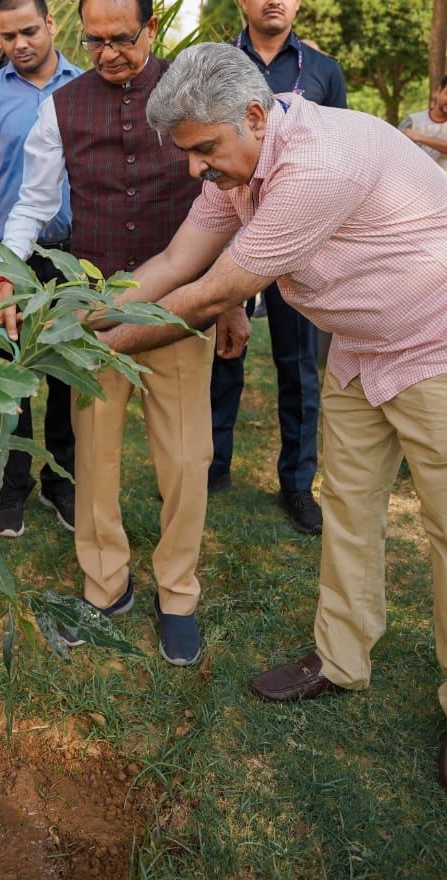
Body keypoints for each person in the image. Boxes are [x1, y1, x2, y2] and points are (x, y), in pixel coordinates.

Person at [98, 42, 447, 790]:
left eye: (203, 150)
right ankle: (340, 658)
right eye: (187, 153)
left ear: (254, 116)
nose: (195, 169)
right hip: (360, 347)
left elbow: (208, 296)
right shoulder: (242, 163)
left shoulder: (316, 164)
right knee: (347, 505)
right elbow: (173, 263)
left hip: (435, 342)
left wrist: (92, 353)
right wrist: (77, 317)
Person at [0, 0, 241, 668]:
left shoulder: (194, 93)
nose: (107, 54)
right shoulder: (60, 108)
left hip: (178, 308)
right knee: (93, 460)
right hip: (91, 313)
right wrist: (7, 274)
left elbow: (232, 196)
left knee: (186, 459)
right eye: (94, 41)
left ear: (151, 29)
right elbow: (34, 204)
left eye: (122, 39)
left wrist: (228, 299)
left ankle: (177, 594)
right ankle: (105, 585)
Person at [209, 0, 347, 534]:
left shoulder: (324, 71)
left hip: (299, 244)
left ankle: (297, 484)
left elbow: (338, 157)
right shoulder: (216, 65)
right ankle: (213, 465)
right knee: (223, 353)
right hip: (229, 231)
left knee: (298, 367)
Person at [0, 0, 81, 538]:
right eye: (7, 36)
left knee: (67, 374)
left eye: (28, 31)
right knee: (12, 374)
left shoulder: (84, 87)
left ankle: (62, 483)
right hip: (10, 257)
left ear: (50, 25)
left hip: (72, 255)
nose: (19, 44)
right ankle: (12, 485)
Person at [399, 74, 447, 169]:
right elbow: (395, 149)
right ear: (439, 91)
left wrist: (419, 137)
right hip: (413, 176)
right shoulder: (412, 120)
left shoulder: (414, 133)